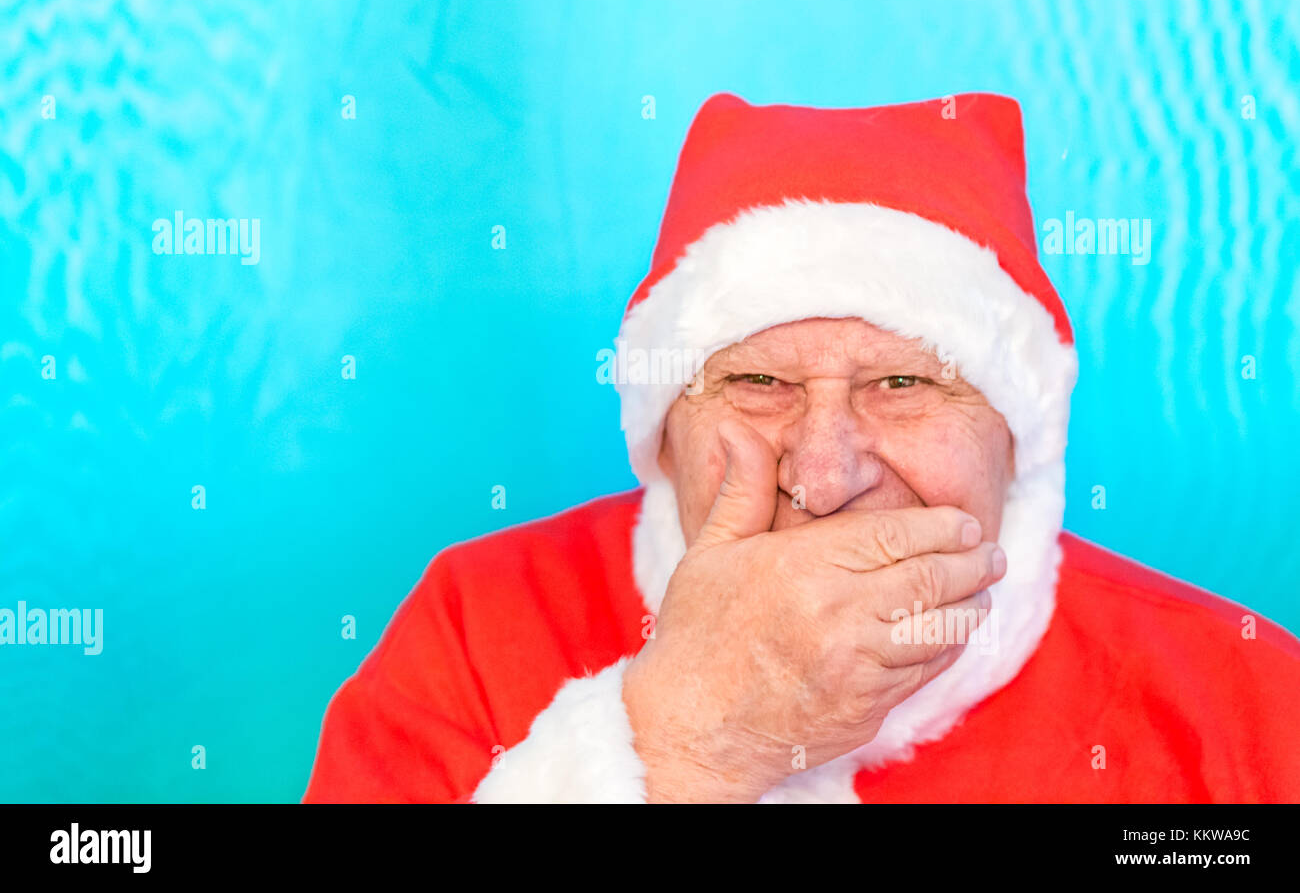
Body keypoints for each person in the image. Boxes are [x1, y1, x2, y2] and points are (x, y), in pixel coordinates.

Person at [303, 92, 1300, 803]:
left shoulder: (1245, 697)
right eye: (758, 384)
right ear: (665, 426)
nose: (823, 474)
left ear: (1014, 435)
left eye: (902, 385)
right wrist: (690, 744)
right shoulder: (478, 621)